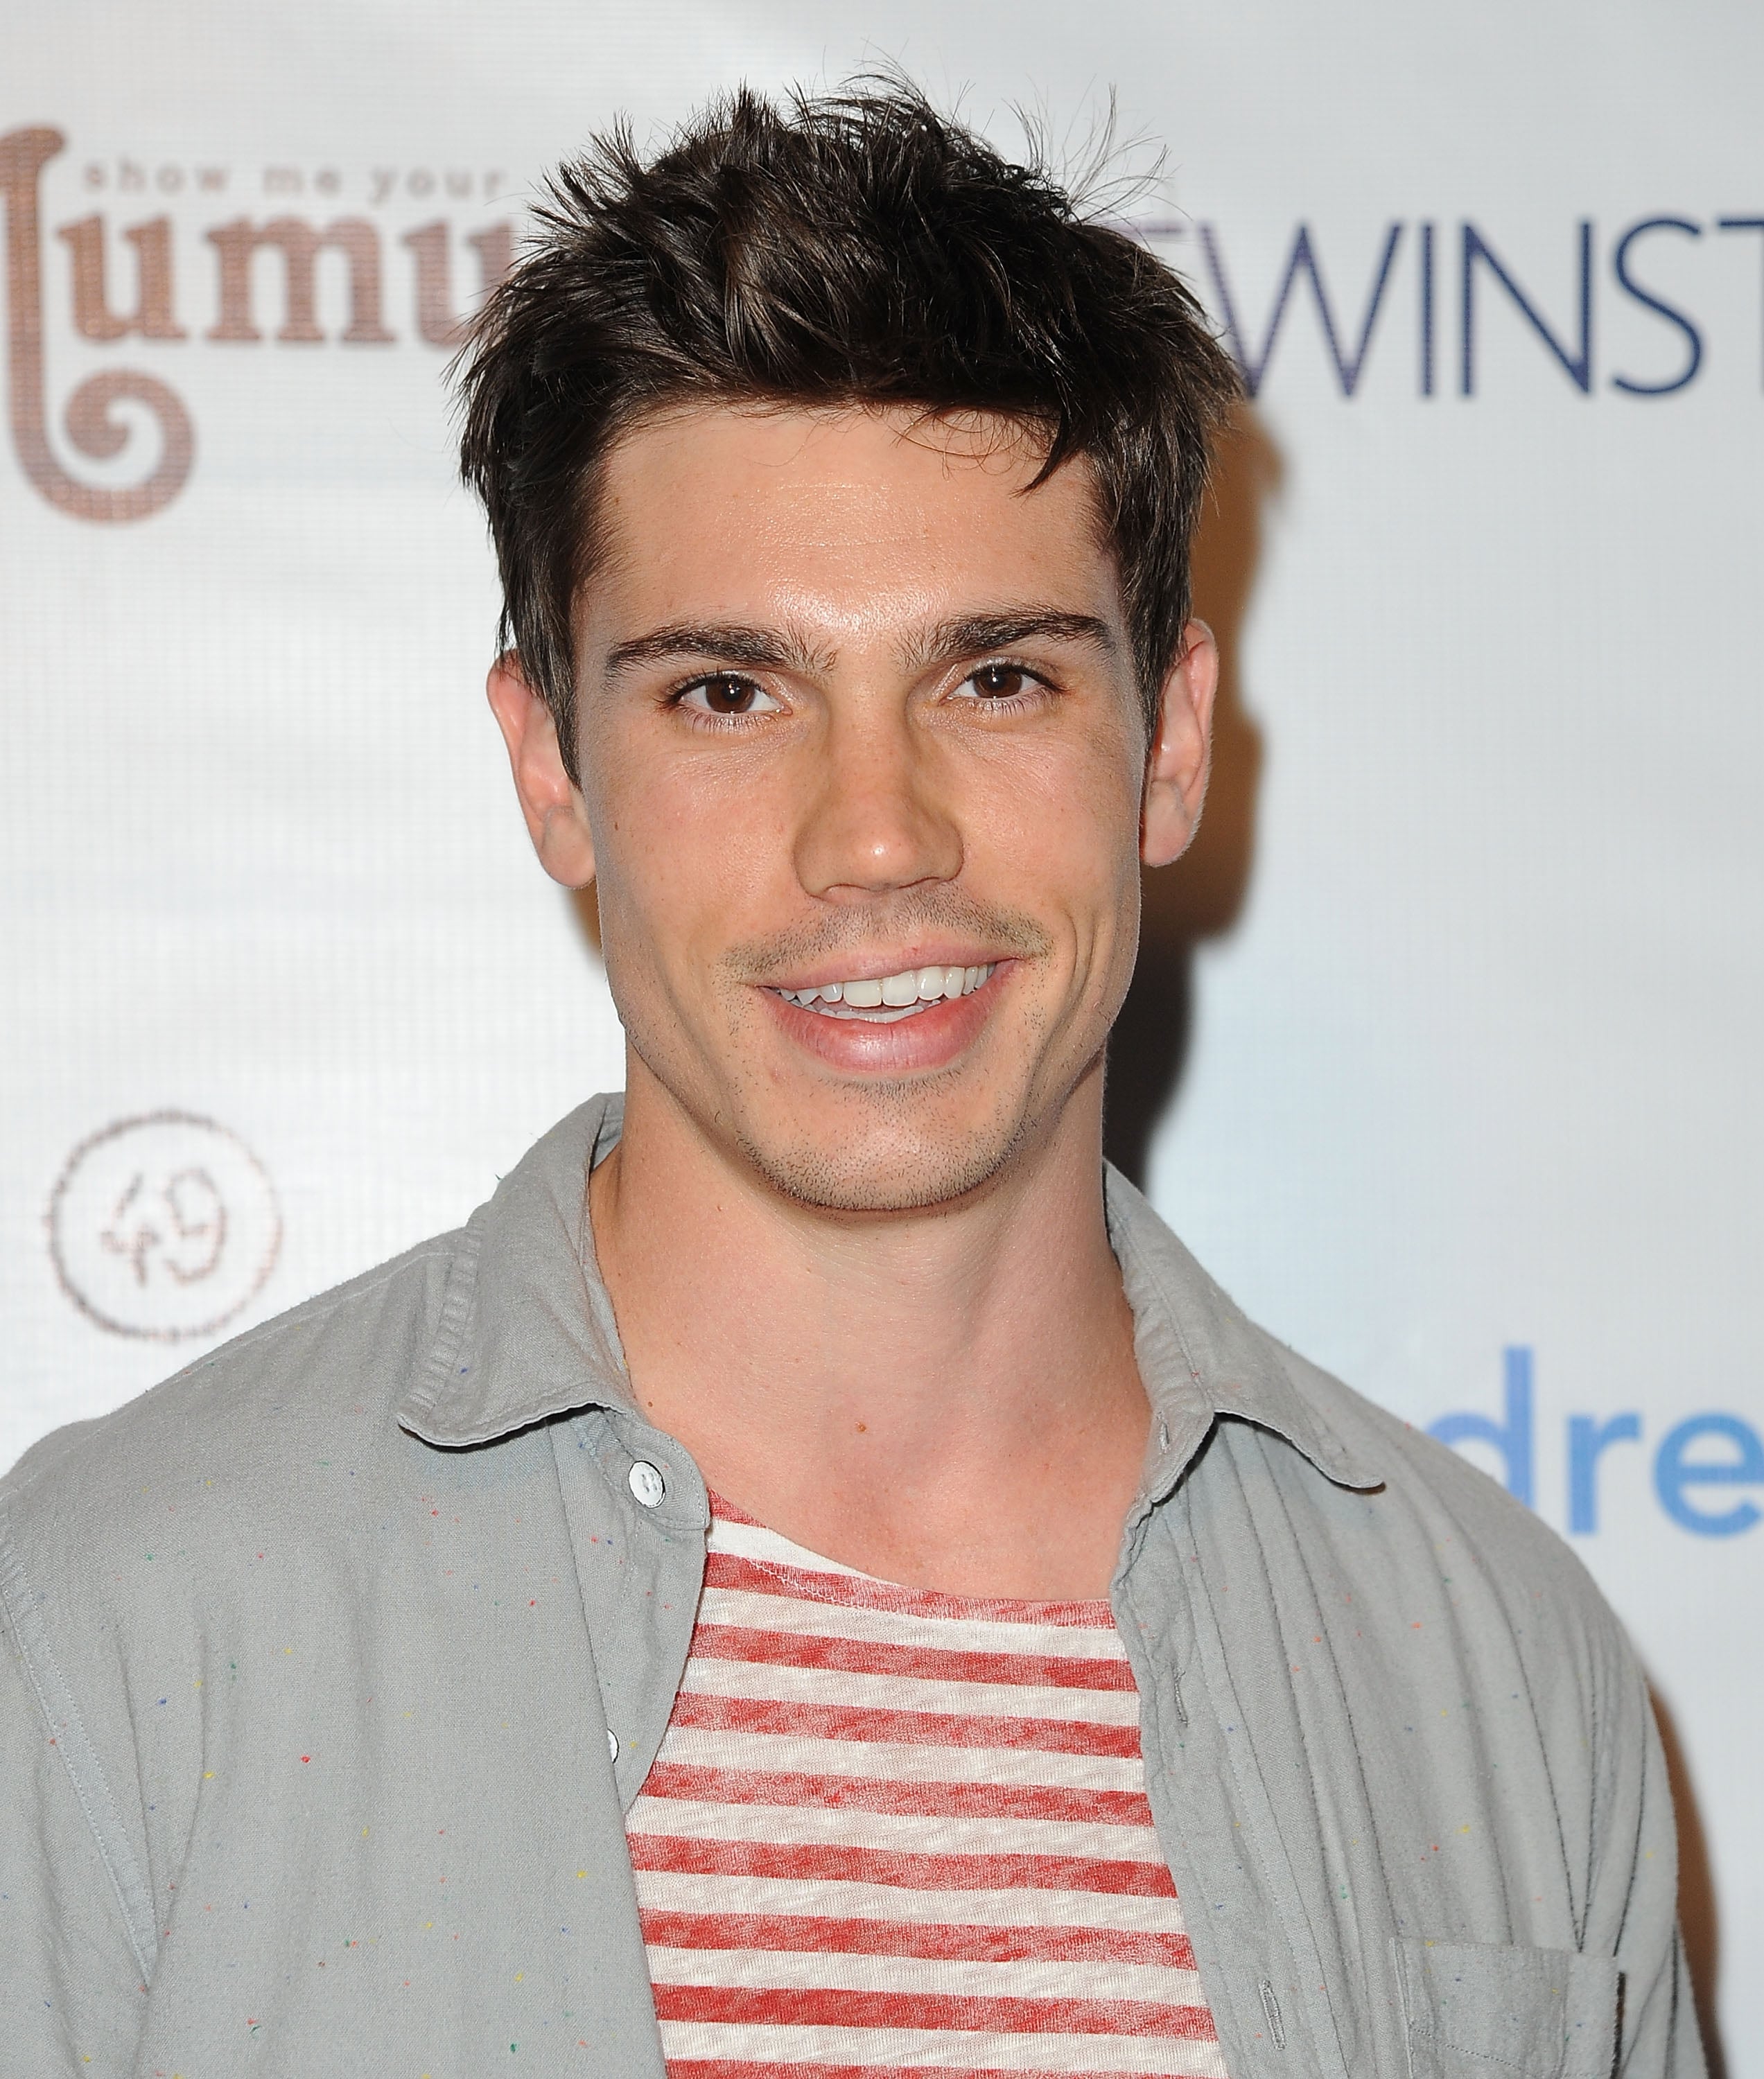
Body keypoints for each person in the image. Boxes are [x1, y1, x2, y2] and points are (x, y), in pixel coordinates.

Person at [1, 82, 1702, 2079]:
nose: (876, 835)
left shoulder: (1497, 1664)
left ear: (1167, 743)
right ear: (552, 768)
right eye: (730, 692)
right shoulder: (117, 1629)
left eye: (996, 679)